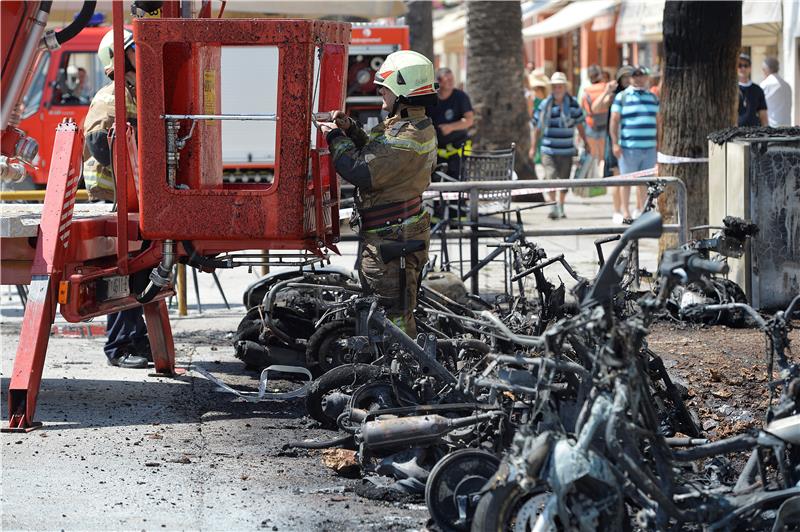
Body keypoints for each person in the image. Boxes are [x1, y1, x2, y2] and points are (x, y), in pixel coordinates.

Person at [321, 51, 438, 337]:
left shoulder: (406, 136)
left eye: (383, 88)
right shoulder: (409, 126)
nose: (380, 94)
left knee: (391, 313)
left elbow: (362, 171)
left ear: (401, 90)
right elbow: (377, 153)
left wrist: (333, 137)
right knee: (394, 307)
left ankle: (399, 369)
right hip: (397, 233)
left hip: (392, 239)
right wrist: (350, 128)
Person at [83, 28, 150, 369]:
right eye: (135, 49)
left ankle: (136, 338)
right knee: (121, 271)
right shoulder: (112, 99)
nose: (141, 53)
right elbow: (103, 146)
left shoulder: (135, 93)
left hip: (131, 199)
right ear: (118, 58)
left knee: (142, 269)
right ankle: (120, 345)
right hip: (112, 200)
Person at [531, 71, 588, 220]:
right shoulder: (545, 105)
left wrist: (586, 142)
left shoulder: (574, 104)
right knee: (550, 178)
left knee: (564, 180)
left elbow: (580, 125)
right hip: (548, 149)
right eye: (555, 87)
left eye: (560, 87)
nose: (557, 90)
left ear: (565, 87)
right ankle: (553, 206)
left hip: (567, 150)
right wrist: (533, 147)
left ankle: (561, 206)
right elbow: (537, 127)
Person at [609, 65, 660, 221]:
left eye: (641, 75)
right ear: (630, 78)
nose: (638, 78)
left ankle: (643, 211)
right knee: (627, 181)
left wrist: (659, 144)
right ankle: (625, 212)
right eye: (635, 76)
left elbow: (659, 122)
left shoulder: (653, 97)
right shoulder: (622, 97)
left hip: (650, 147)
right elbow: (614, 121)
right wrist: (615, 143)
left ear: (646, 78)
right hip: (628, 148)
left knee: (645, 183)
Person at [592, 66, 633, 224]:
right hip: (615, 140)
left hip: (633, 140)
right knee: (618, 176)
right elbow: (595, 108)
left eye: (630, 76)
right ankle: (618, 210)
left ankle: (633, 210)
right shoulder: (615, 96)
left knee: (637, 179)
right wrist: (607, 91)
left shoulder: (638, 95)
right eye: (624, 77)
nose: (628, 80)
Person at [430, 67, 474, 179]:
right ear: (439, 81)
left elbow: (469, 120)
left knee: (457, 183)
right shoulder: (431, 99)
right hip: (436, 153)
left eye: (452, 80)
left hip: (457, 153)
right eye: (447, 80)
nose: (451, 82)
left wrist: (451, 127)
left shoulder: (460, 97)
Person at [581, 64, 609, 177]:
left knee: (593, 154)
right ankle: (601, 177)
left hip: (591, 124)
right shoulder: (605, 88)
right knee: (602, 155)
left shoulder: (586, 91)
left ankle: (593, 178)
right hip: (604, 123)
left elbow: (584, 108)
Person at [737, 53, 768, 127]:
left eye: (746, 65)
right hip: (734, 134)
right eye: (740, 65)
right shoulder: (731, 90)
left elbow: (763, 114)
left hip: (754, 133)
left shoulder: (758, 90)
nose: (743, 68)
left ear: (750, 68)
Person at [760, 57, 792, 127]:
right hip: (787, 125)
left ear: (766, 69)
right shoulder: (787, 85)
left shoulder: (764, 85)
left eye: (763, 69)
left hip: (772, 128)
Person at [528, 72, 550, 166]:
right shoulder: (545, 96)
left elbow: (530, 113)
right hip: (541, 124)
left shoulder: (532, 97)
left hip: (537, 124)